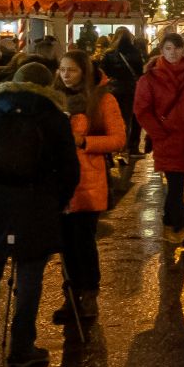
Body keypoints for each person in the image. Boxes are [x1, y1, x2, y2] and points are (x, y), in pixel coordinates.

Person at [0, 61, 81, 367]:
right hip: (36, 204)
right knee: (29, 277)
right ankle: (22, 348)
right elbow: (69, 170)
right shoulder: (54, 116)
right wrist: (58, 201)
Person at [52, 49, 125, 332]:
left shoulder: (103, 100)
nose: (64, 75)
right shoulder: (54, 100)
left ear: (84, 72)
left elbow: (118, 139)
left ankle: (88, 295)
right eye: (61, 69)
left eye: (71, 70)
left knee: (82, 242)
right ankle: (69, 296)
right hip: (59, 182)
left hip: (88, 182)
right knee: (63, 243)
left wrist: (84, 141)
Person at [134, 31, 184, 244]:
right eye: (168, 48)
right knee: (176, 185)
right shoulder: (150, 78)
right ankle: (182, 226)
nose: (173, 53)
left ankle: (169, 223)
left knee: (178, 183)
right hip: (167, 139)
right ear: (162, 50)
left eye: (176, 48)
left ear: (183, 49)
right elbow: (142, 109)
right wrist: (159, 133)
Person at [99, 27, 145, 157]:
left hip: (114, 89)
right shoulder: (136, 52)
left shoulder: (109, 54)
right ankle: (132, 147)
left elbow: (102, 72)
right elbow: (140, 72)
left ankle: (112, 146)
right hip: (132, 89)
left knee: (113, 117)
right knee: (134, 118)